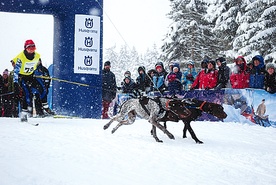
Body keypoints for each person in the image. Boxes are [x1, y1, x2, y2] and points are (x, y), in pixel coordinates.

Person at [12, 39, 53, 121]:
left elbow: (38, 65)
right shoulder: (21, 57)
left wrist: (40, 71)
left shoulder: (37, 56)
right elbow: (16, 71)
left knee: (43, 89)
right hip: (22, 77)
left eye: (33, 48)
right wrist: (15, 83)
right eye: (29, 48)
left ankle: (46, 107)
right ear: (25, 49)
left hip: (31, 76)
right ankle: (24, 113)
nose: (31, 50)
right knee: (26, 94)